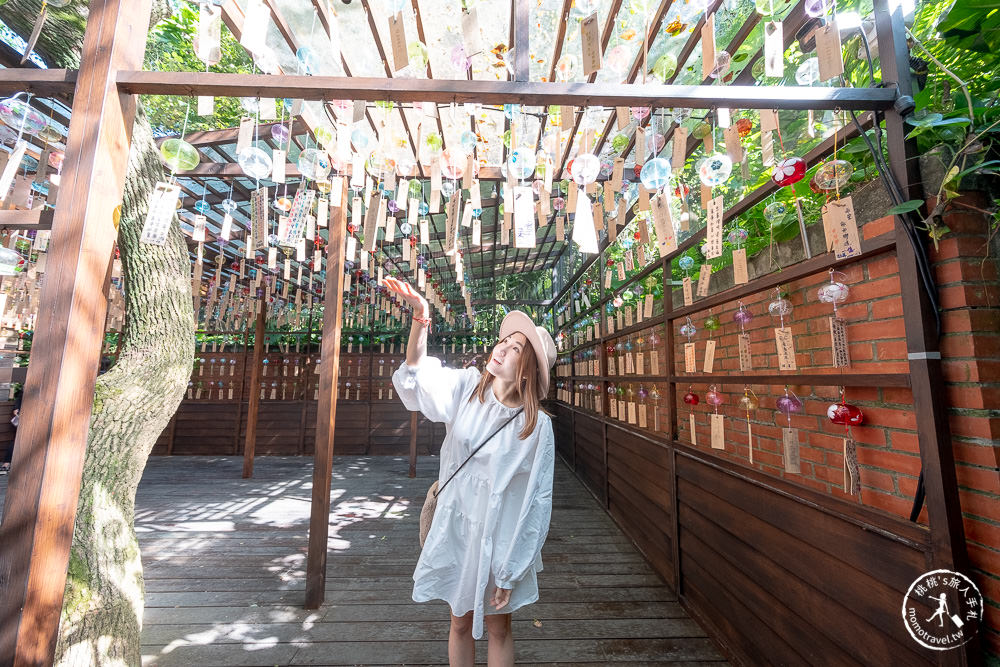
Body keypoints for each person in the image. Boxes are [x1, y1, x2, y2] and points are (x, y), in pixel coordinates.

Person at [386, 276, 556, 667]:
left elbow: (537, 500)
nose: (503, 349)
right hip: (457, 526)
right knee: (458, 622)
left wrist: (512, 568)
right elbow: (417, 376)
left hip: (500, 538)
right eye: (505, 341)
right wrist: (421, 317)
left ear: (527, 370)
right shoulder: (466, 388)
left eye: (516, 349)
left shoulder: (536, 425)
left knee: (499, 628)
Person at [0, 388, 21, 474]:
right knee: (17, 441)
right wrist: (16, 411)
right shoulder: (24, 392)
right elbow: (16, 409)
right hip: (25, 420)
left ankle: (7, 463)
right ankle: (7, 463)